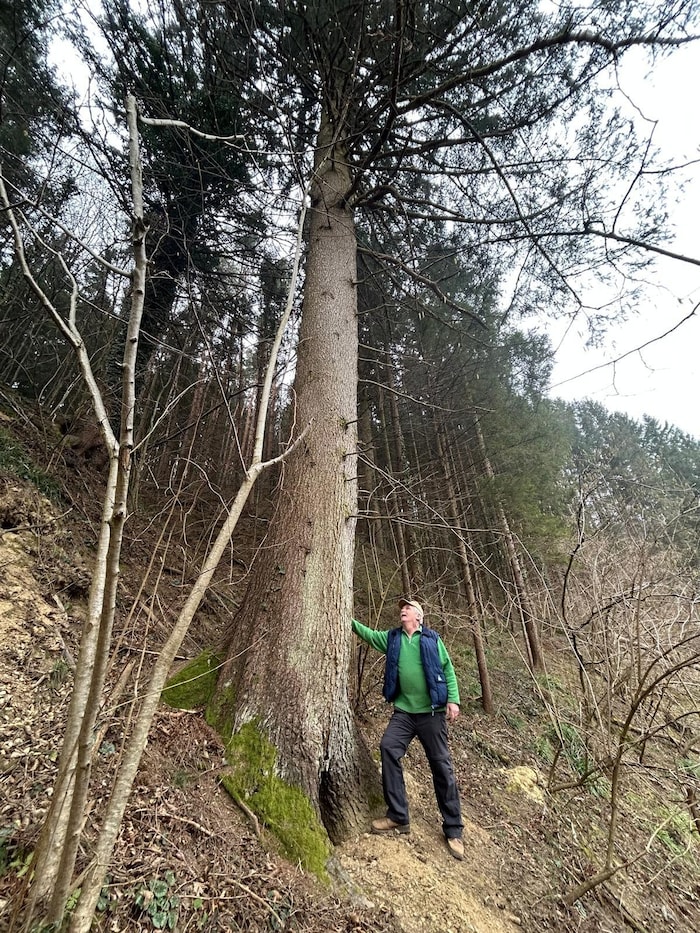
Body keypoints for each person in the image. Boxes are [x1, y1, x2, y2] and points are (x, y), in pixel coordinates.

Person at [352, 597, 465, 860]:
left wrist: (453, 699)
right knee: (388, 748)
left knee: (441, 767)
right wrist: (346, 619)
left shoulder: (432, 640)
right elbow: (368, 635)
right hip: (404, 711)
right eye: (401, 608)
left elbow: (448, 670)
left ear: (419, 616)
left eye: (408, 608)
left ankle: (454, 830)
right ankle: (398, 816)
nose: (402, 610)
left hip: (432, 713)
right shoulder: (392, 639)